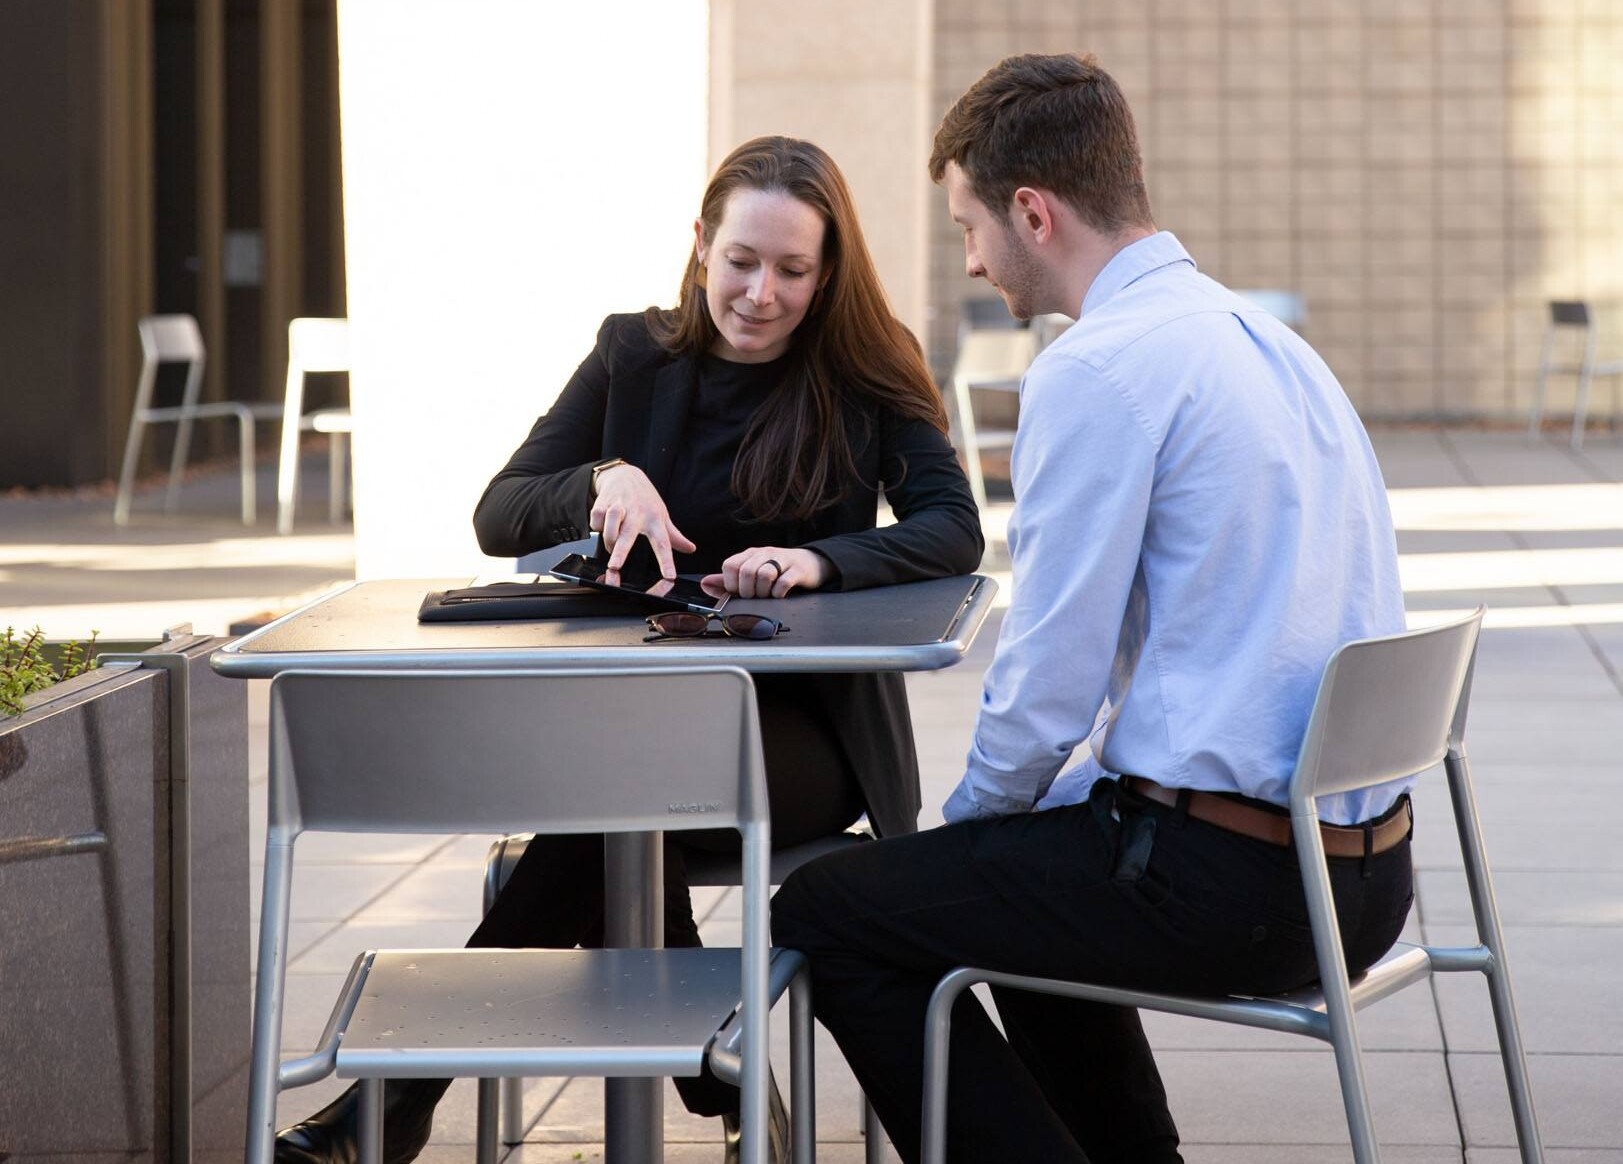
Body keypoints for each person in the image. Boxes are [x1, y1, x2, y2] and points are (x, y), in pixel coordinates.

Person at [272, 135, 983, 1164]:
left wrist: (820, 562)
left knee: (607, 799)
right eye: (742, 260)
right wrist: (601, 476)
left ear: (827, 273)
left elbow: (951, 526)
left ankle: (393, 1103)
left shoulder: (867, 371)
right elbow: (498, 510)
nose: (761, 292)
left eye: (792, 270)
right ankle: (717, 1074)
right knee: (618, 796)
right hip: (632, 720)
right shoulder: (630, 353)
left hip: (798, 737)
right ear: (700, 245)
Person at [771, 53, 1413, 1164]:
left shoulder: (1099, 368)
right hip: (1361, 874)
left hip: (1238, 887)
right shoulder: (1271, 344)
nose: (971, 257)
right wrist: (994, 844)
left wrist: (963, 833)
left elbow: (1048, 682)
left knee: (832, 911)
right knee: (1029, 864)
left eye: (970, 225)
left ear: (1034, 211)